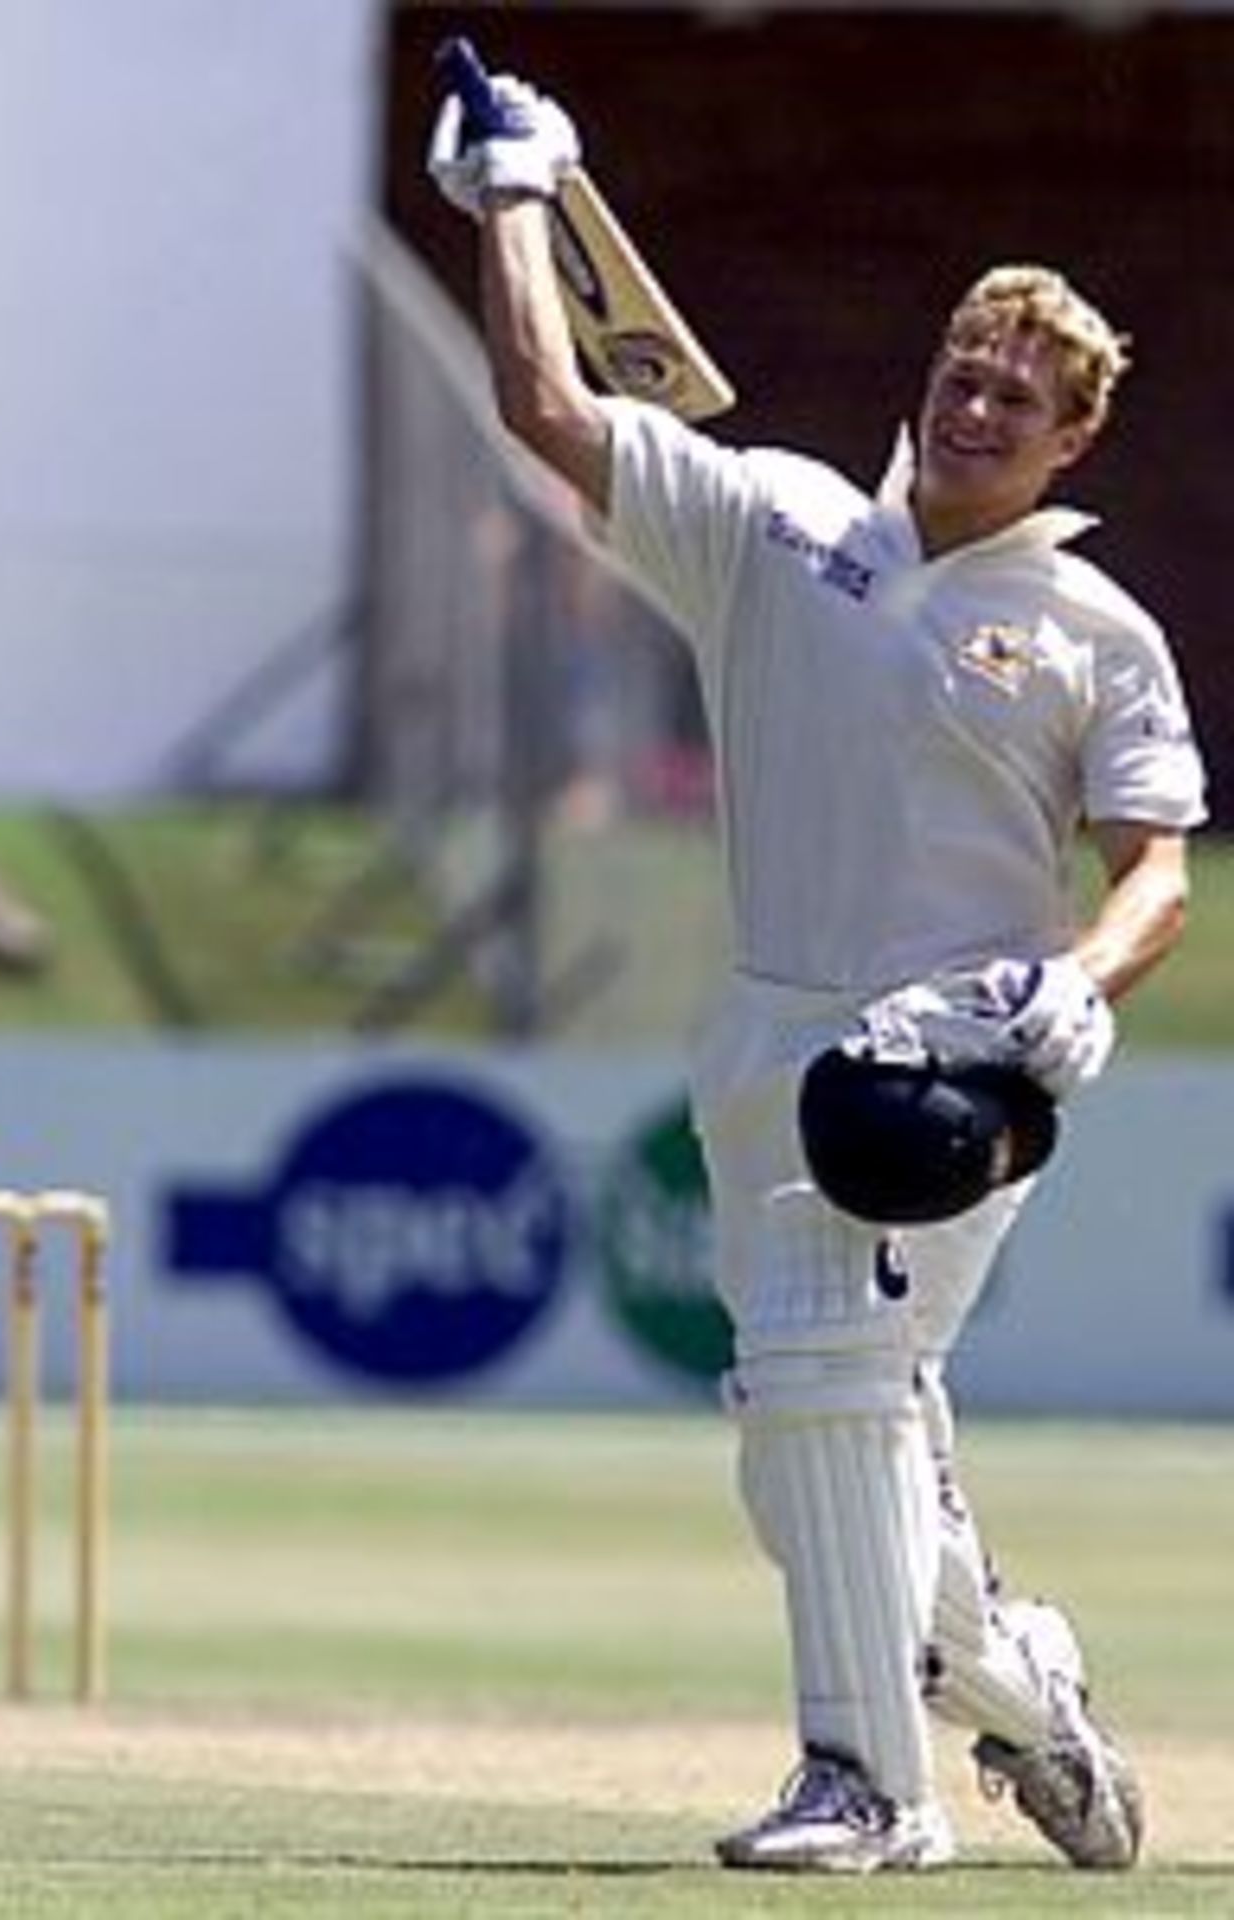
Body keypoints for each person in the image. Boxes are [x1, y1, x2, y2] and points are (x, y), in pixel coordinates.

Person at [429, 68, 1207, 1875]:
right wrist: (517, 200)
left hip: (943, 1068)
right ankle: (1018, 1684)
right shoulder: (771, 523)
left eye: (1019, 393)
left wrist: (1080, 983)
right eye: (963, 360)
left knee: (834, 1383)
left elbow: (1157, 872)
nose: (976, 395)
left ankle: (874, 1789)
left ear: (1069, 443)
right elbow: (548, 404)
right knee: (804, 1452)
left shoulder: (1099, 633)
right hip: (764, 1029)